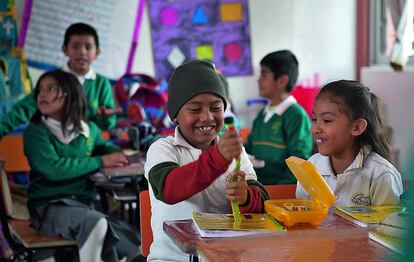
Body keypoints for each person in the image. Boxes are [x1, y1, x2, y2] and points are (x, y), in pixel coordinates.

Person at [144, 60, 268, 261]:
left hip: (223, 256)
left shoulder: (236, 152)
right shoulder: (163, 149)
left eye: (216, 107)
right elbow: (168, 189)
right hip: (171, 259)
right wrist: (218, 158)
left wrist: (245, 196)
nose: (207, 117)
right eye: (195, 109)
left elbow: (261, 202)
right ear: (175, 116)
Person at [23, 70, 139, 261]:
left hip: (84, 204)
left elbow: (101, 146)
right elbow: (53, 168)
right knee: (96, 224)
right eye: (40, 90)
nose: (42, 94)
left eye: (50, 88)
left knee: (131, 239)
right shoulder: (36, 132)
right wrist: (101, 161)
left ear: (70, 94)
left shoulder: (88, 129)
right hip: (48, 207)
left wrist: (114, 153)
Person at [0, 22, 117, 139]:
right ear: (65, 49)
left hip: (87, 149)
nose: (82, 52)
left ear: (97, 53)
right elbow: (23, 110)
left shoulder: (102, 84)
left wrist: (105, 117)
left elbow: (107, 125)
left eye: (88, 47)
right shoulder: (51, 80)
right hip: (55, 147)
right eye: (75, 46)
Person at [296, 80, 403, 206]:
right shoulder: (311, 166)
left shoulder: (382, 175)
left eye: (327, 120)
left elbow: (387, 224)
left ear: (357, 127)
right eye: (314, 119)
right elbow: (302, 216)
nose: (315, 129)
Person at [244, 50, 312, 185]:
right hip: (258, 189)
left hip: (280, 194)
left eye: (264, 74)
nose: (259, 80)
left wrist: (278, 191)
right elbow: (249, 148)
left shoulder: (296, 116)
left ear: (282, 80)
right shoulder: (262, 114)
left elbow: (299, 164)